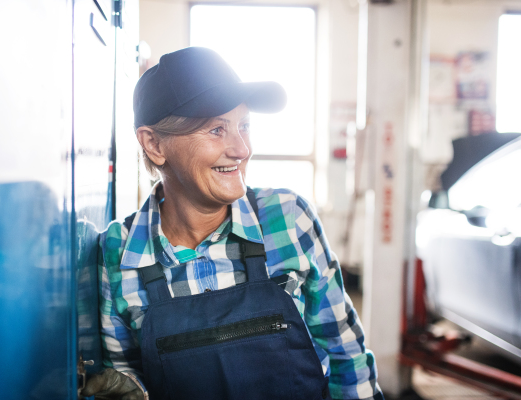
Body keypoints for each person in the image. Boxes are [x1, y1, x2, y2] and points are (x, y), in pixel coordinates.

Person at [81, 47, 384, 400]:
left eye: (244, 126)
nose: (241, 149)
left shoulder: (288, 219)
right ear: (154, 144)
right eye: (216, 130)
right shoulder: (117, 252)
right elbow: (128, 380)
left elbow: (345, 356)